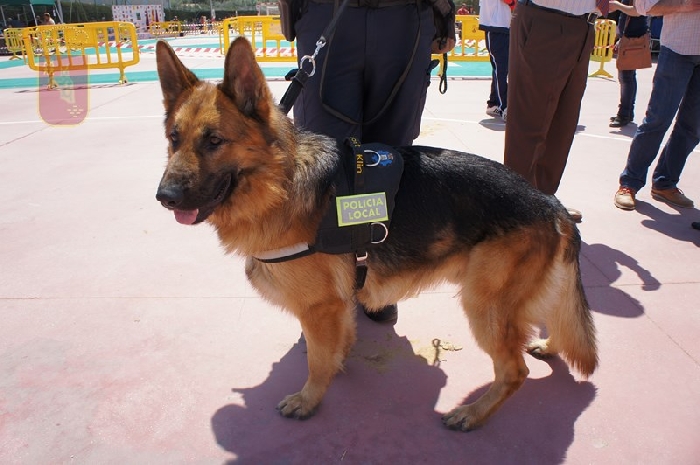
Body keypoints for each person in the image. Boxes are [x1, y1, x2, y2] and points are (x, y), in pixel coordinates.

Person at [282, 0, 455, 323]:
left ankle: (376, 271)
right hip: (328, 12)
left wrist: (445, 16)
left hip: (404, 16)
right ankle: (329, 276)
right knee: (328, 161)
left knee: (388, 160)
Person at [504, 0, 609, 223]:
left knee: (563, 124)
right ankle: (516, 211)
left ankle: (543, 202)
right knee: (529, 124)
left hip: (584, 25)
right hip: (545, 19)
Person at [613, 1, 699, 211]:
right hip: (677, 49)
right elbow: (646, 6)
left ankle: (665, 183)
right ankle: (629, 183)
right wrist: (685, 4)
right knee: (657, 120)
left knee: (692, 128)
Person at [608, 0, 648, 128]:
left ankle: (624, 114)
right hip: (631, 37)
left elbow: (637, 11)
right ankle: (627, 112)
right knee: (628, 77)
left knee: (626, 78)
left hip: (632, 38)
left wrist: (617, 5)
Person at [478, 0, 513, 120]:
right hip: (497, 25)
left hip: (501, 24)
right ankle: (505, 107)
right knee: (501, 68)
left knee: (499, 68)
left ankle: (494, 103)